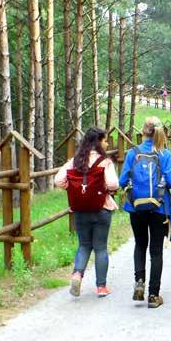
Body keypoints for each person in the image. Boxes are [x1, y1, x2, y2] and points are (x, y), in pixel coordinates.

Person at [119, 116, 171, 309]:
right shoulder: (164, 154)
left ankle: (139, 281)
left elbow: (123, 180)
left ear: (143, 132)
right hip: (159, 206)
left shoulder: (133, 153)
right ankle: (154, 296)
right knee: (156, 251)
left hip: (136, 206)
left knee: (140, 244)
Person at [54, 127, 118, 298]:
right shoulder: (105, 162)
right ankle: (101, 287)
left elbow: (58, 180)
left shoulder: (74, 161)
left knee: (83, 245)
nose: (106, 143)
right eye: (105, 140)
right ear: (98, 142)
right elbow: (113, 184)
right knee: (101, 248)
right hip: (101, 208)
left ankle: (77, 275)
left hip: (80, 211)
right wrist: (102, 188)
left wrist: (73, 189)